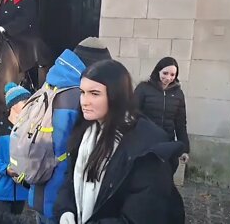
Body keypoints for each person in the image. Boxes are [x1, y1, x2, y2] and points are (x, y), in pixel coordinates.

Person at [55, 60, 185, 224]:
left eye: (94, 93)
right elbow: (70, 179)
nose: (84, 101)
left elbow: (142, 215)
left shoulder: (148, 146)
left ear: (116, 95)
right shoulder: (86, 131)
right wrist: (66, 210)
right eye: (82, 92)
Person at [29, 37, 111, 224]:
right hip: (61, 198)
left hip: (39, 184)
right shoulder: (80, 97)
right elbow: (71, 153)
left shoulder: (51, 81)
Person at [0, 82, 31, 215]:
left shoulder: (29, 128)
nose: (28, 105)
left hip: (22, 190)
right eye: (24, 101)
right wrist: (6, 169)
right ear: (13, 104)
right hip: (1, 190)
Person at [134, 57, 190, 162]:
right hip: (145, 143)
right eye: (165, 73)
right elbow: (133, 115)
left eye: (172, 75)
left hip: (167, 143)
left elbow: (181, 123)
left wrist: (184, 149)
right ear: (158, 71)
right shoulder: (143, 88)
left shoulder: (178, 94)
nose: (168, 78)